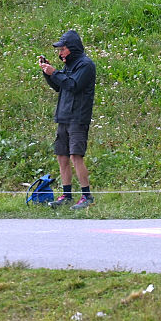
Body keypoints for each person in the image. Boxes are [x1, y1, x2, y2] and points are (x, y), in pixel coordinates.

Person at [39, 29, 96, 210]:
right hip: (63, 117)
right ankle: (67, 194)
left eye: (62, 49)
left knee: (75, 156)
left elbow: (73, 85)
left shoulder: (86, 65)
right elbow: (59, 86)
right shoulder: (68, 66)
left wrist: (55, 72)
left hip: (78, 118)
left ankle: (86, 196)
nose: (60, 53)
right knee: (62, 157)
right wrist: (48, 73)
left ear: (71, 48)